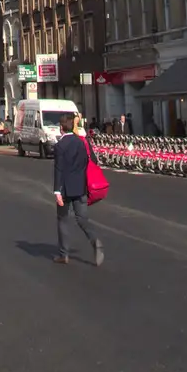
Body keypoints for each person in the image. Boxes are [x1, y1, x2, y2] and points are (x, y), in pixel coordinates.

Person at [52, 113, 103, 268]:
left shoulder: (60, 146)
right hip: (80, 187)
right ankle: (95, 240)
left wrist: (57, 191)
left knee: (63, 220)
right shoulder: (81, 142)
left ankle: (64, 254)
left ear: (61, 128)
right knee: (82, 219)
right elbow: (89, 161)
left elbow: (59, 169)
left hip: (65, 188)